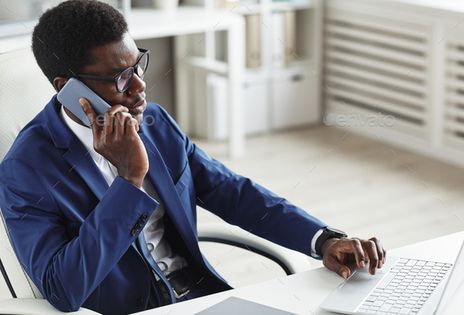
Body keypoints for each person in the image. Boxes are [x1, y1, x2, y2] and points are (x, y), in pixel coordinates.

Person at [0, 1, 386, 314]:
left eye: (138, 66)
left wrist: (323, 240)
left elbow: (231, 191)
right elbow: (63, 289)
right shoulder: (24, 169)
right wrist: (129, 180)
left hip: (205, 298)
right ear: (68, 89)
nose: (139, 87)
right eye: (120, 78)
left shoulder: (153, 122)